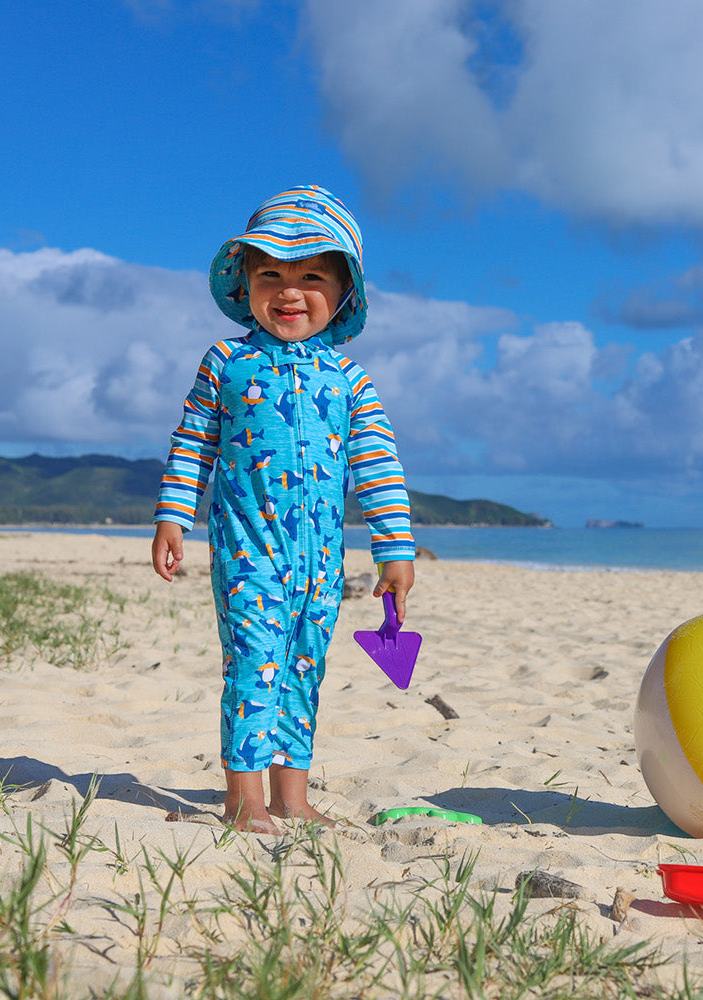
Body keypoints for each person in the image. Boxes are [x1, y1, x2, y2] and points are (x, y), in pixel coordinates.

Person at [151, 185, 414, 834]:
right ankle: (242, 797)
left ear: (343, 292)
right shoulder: (227, 363)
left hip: (321, 564)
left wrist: (395, 549)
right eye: (271, 273)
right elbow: (191, 448)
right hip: (248, 554)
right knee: (251, 664)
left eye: (311, 276)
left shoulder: (350, 380)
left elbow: (378, 469)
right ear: (246, 284)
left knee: (303, 669)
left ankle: (291, 796)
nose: (290, 290)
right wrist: (172, 516)